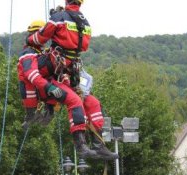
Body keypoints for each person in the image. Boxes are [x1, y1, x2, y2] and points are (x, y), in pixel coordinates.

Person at [26, 0, 118, 160]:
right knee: (76, 101)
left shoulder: (59, 18)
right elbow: (84, 46)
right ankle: (81, 144)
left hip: (59, 70)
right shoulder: (85, 23)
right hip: (58, 73)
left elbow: (40, 38)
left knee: (93, 103)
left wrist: (32, 39)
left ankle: (98, 144)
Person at [18, 20, 98, 159]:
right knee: (71, 100)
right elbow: (31, 74)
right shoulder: (28, 52)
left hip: (44, 86)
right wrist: (49, 86)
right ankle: (32, 115)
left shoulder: (42, 52)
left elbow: (55, 72)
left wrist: (69, 82)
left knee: (73, 97)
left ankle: (47, 113)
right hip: (36, 88)